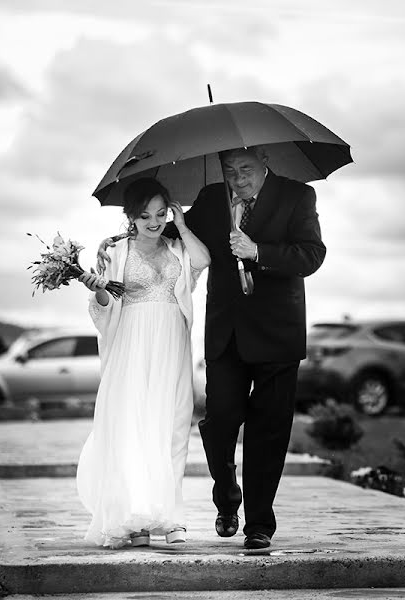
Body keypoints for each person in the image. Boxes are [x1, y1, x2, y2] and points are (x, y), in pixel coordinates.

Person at [163, 146, 325, 550]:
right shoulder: (210, 198)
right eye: (230, 170)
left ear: (265, 160)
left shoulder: (297, 196)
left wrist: (259, 253)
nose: (238, 179)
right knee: (219, 421)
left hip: (278, 335)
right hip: (226, 334)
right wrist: (131, 238)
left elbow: (312, 254)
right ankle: (226, 496)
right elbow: (176, 238)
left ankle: (259, 524)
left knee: (268, 431)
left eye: (246, 169)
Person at [75, 177, 210, 549]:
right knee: (132, 426)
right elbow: (102, 310)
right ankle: (135, 520)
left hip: (171, 343)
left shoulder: (178, 247)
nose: (154, 221)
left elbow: (204, 261)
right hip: (131, 344)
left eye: (161, 213)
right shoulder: (115, 252)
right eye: (145, 215)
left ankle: (172, 518)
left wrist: (182, 226)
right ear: (130, 216)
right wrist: (98, 287)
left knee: (173, 425)